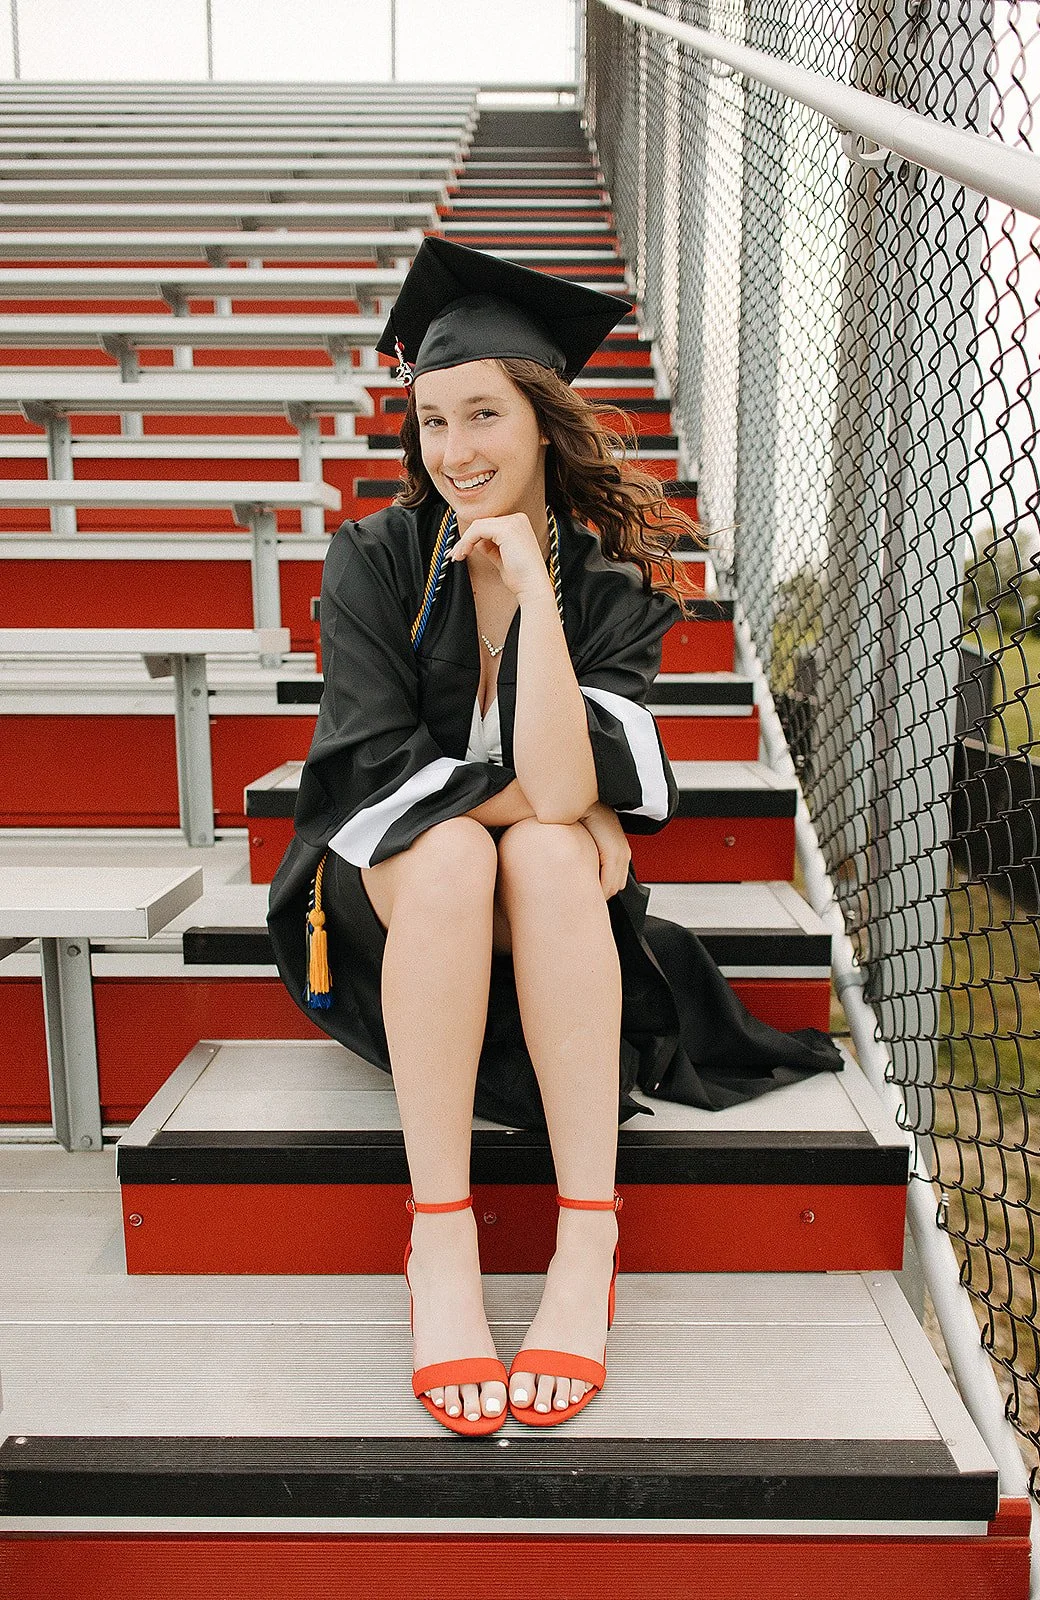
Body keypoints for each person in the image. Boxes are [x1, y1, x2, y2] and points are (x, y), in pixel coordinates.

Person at [267, 237, 842, 1439]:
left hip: (533, 926)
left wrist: (534, 593)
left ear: (540, 422)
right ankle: (442, 1248)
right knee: (493, 843)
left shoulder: (607, 586)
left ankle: (589, 1236)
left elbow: (591, 774)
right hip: (384, 919)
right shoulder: (373, 560)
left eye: (481, 413)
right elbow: (366, 785)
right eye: (429, 420)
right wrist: (565, 804)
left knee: (529, 851)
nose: (452, 449)